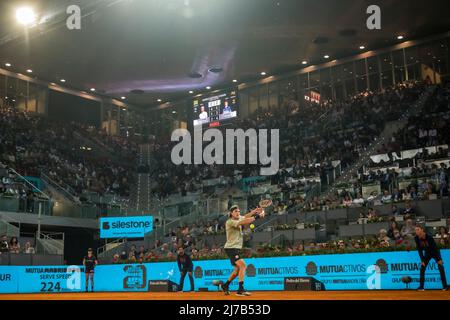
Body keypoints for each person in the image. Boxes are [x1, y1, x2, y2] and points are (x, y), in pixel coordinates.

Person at [220, 204, 265, 296]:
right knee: (243, 265)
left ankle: (225, 285)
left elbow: (245, 216)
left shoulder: (238, 217)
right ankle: (240, 289)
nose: (238, 213)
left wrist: (254, 211)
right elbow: (244, 221)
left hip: (235, 248)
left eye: (239, 211)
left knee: (237, 270)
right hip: (231, 248)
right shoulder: (230, 222)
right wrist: (258, 216)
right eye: (235, 211)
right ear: (231, 213)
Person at [414, 225, 448, 291]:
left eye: (418, 229)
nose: (416, 231)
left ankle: (445, 286)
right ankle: (421, 287)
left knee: (441, 267)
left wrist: (439, 259)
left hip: (435, 253)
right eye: (415, 230)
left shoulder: (429, 237)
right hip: (427, 254)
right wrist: (422, 260)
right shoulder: (416, 238)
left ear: (422, 230)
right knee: (422, 268)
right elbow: (419, 250)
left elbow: (435, 248)